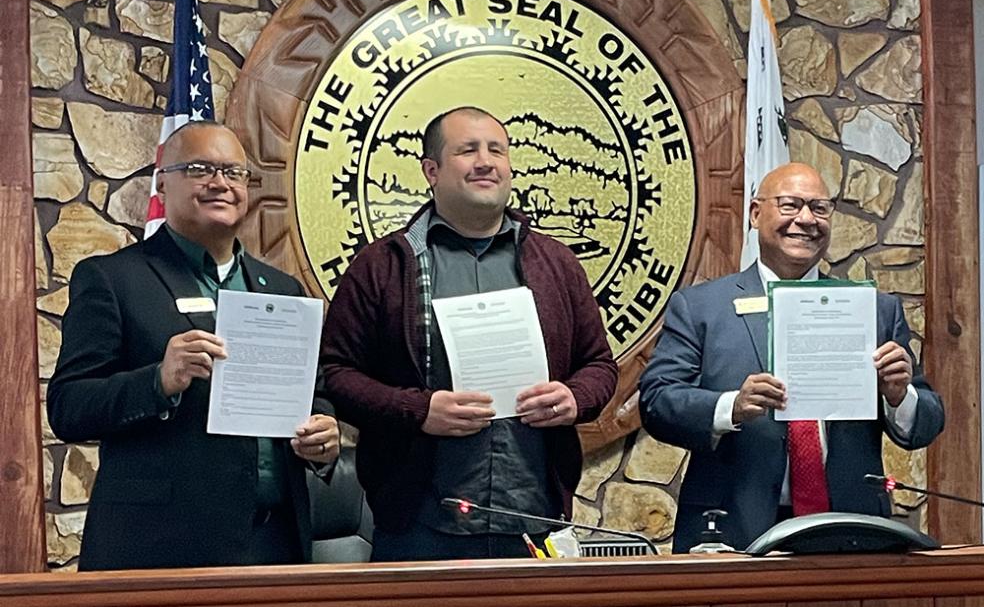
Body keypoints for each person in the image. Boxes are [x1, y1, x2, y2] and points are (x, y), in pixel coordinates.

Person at [319, 106, 618, 561]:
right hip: (419, 524)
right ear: (431, 171)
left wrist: (575, 397)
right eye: (468, 150)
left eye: (497, 150)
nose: (486, 161)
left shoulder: (556, 263)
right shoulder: (383, 265)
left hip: (535, 523)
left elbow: (599, 364)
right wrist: (417, 410)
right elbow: (336, 373)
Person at [47, 121, 340, 570]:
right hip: (160, 550)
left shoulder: (283, 291)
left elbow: (313, 394)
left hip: (275, 545)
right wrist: (158, 380)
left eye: (233, 172)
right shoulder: (112, 279)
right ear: (163, 181)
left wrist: (323, 432)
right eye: (201, 169)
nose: (220, 183)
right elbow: (69, 407)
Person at [638, 162, 944, 553]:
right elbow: (656, 402)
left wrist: (899, 396)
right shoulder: (701, 308)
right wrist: (731, 406)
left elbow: (927, 423)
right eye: (789, 205)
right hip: (730, 534)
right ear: (755, 213)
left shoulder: (874, 310)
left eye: (819, 208)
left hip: (850, 534)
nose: (806, 219)